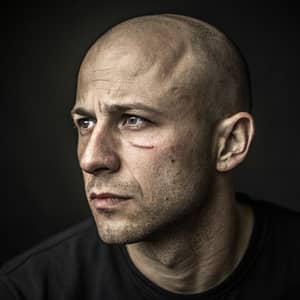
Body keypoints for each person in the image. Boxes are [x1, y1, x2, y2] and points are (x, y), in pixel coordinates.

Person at [0, 13, 299, 300]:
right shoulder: (28, 291)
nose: (90, 159)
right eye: (86, 123)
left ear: (230, 143)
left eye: (133, 120)